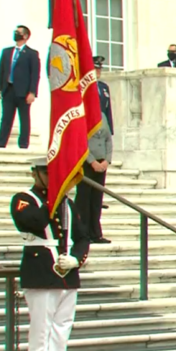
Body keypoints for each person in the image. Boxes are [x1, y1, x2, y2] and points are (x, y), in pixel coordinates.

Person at [11, 157, 90, 351]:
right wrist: (54, 197)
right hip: (41, 272)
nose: (55, 177)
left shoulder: (68, 204)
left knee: (60, 335)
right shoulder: (25, 199)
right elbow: (34, 222)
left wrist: (76, 259)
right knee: (41, 334)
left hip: (66, 274)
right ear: (37, 174)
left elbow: (82, 236)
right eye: (49, 173)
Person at [76, 56, 114, 244]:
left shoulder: (102, 116)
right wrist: (91, 161)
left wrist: (107, 160)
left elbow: (108, 138)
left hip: (101, 160)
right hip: (88, 161)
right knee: (84, 198)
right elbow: (80, 140)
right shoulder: (82, 116)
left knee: (97, 199)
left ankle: (95, 232)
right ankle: (83, 232)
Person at [0, 25, 41, 149]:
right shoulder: (7, 52)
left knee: (24, 119)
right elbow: (1, 70)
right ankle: (0, 142)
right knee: (6, 118)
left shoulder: (31, 54)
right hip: (8, 89)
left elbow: (35, 74)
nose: (16, 34)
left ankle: (24, 143)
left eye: (18, 32)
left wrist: (32, 92)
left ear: (25, 36)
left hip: (24, 92)